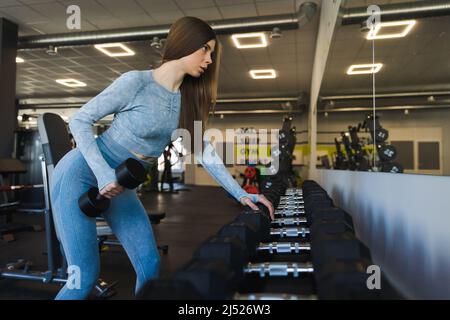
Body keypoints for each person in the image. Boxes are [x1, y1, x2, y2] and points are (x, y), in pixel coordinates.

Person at [50, 16, 274, 300]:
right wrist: (104, 172)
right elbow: (80, 120)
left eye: (212, 53)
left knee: (150, 265)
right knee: (83, 278)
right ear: (185, 43)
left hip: (121, 185)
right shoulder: (135, 82)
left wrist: (241, 193)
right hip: (80, 172)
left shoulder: (186, 100)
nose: (209, 59)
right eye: (204, 49)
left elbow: (203, 151)